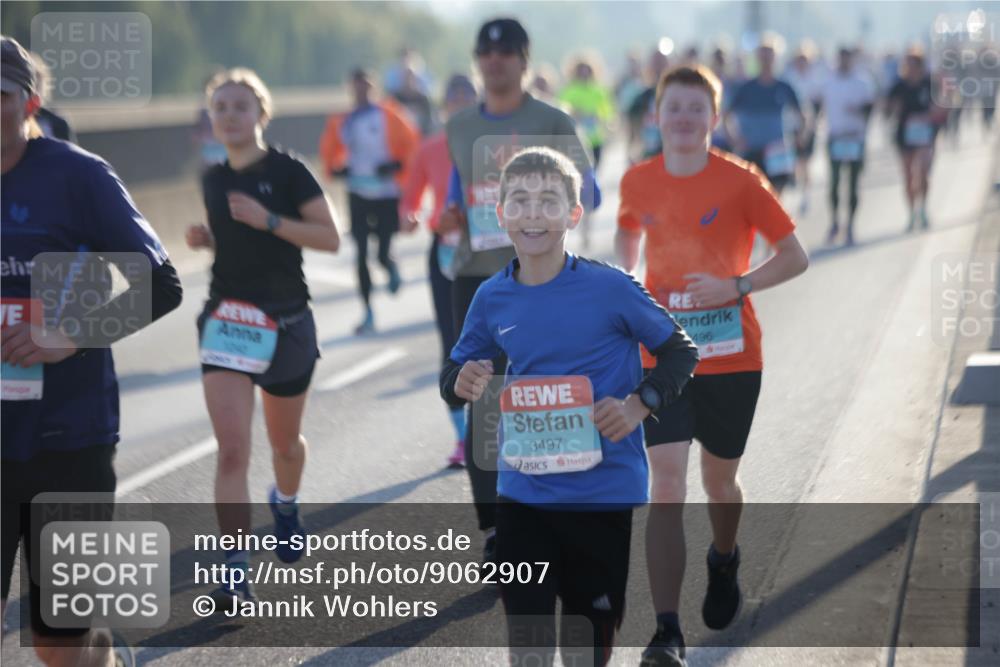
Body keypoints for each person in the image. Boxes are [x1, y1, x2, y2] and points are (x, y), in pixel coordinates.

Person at [440, 146, 698, 667]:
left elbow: (679, 351)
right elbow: (454, 373)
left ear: (574, 214)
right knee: (529, 650)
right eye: (520, 201)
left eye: (548, 201)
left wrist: (639, 404)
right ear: (501, 213)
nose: (533, 213)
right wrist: (459, 380)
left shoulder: (610, 288)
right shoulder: (492, 297)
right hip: (523, 492)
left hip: (601, 494)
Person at [616, 64, 808, 666]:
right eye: (673, 107)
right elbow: (627, 234)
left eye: (696, 108)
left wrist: (737, 285)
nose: (683, 118)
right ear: (656, 115)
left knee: (719, 484)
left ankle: (724, 557)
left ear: (714, 118)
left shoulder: (741, 181)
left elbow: (795, 256)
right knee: (666, 484)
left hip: (731, 357)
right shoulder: (637, 180)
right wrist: (626, 278)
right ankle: (666, 631)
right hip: (661, 357)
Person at [1, 35, 182, 667]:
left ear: (30, 103)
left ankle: (100, 653)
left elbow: (162, 284)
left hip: (70, 438)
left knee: (57, 643)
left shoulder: (79, 176)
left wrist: (68, 336)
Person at [437, 16, 602, 572]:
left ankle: (552, 516)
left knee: (543, 399)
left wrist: (547, 199)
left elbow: (591, 193)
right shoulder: (460, 125)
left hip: (542, 278)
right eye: (486, 53)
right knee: (484, 402)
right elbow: (457, 192)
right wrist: (451, 214)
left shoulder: (552, 121)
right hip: (476, 278)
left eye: (506, 52)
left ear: (524, 61)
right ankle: (495, 531)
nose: (495, 60)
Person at [185, 67, 340, 604]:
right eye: (220, 107)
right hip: (228, 321)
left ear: (261, 115)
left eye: (240, 106)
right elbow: (236, 245)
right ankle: (234, 568)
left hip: (286, 323)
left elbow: (330, 238)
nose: (229, 115)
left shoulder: (290, 172)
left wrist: (268, 220)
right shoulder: (212, 178)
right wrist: (209, 240)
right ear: (211, 119)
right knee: (232, 450)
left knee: (284, 445)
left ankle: (286, 502)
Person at [399, 74, 479, 469]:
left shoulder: (494, 146)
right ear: (445, 105)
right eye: (454, 97)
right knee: (452, 344)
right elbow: (409, 200)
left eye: (468, 97)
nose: (460, 103)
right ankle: (463, 437)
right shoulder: (430, 148)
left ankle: (501, 428)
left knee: (500, 344)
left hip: (495, 251)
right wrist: (410, 217)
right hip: (446, 252)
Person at [320, 68, 419, 334]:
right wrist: (337, 169)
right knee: (361, 254)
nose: (361, 90)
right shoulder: (344, 121)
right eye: (356, 85)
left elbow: (412, 145)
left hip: (387, 193)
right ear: (350, 88)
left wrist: (395, 165)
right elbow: (329, 152)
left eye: (366, 85)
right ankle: (368, 312)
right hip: (358, 193)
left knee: (382, 252)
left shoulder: (390, 115)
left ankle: (390, 265)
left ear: (373, 87)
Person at [726, 39, 805, 194]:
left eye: (769, 56)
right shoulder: (746, 88)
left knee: (776, 194)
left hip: (777, 151)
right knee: (752, 194)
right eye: (763, 56)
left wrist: (798, 138)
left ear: (776, 58)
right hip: (752, 149)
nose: (766, 60)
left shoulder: (784, 86)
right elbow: (726, 116)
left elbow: (802, 115)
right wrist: (734, 139)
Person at [820, 47, 875, 245]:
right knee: (834, 182)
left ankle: (850, 224)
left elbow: (871, 108)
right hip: (836, 137)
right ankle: (835, 221)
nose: (844, 62)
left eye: (847, 58)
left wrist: (858, 111)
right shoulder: (829, 81)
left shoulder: (862, 82)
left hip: (855, 137)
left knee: (853, 183)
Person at [885, 49, 944, 231]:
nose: (909, 68)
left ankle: (923, 208)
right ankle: (911, 213)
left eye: (913, 64)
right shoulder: (899, 85)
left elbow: (942, 105)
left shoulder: (929, 83)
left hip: (925, 134)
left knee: (923, 172)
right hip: (904, 135)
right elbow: (887, 109)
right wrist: (893, 109)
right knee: (908, 175)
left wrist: (928, 115)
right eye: (907, 64)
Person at [782, 45, 826, 214]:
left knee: (805, 163)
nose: (801, 63)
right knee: (792, 163)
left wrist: (812, 125)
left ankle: (805, 196)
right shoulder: (789, 79)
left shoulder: (815, 81)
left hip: (808, 127)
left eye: (804, 60)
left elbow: (819, 104)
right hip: (790, 127)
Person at [559, 56, 615, 170]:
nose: (584, 73)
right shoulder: (569, 91)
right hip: (576, 139)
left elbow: (608, 112)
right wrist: (575, 113)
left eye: (587, 70)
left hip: (595, 138)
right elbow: (561, 111)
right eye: (581, 70)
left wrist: (600, 117)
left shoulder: (598, 91)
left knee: (595, 169)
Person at [627, 46, 671, 163]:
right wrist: (634, 148)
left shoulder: (679, 95)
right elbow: (633, 122)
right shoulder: (643, 96)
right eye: (656, 63)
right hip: (649, 153)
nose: (659, 67)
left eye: (662, 62)